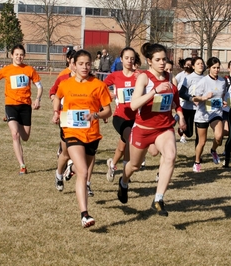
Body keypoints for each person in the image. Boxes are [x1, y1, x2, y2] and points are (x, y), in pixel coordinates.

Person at [117, 42, 186, 217]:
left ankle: (158, 199)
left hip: (164, 128)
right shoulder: (144, 78)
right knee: (134, 165)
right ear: (150, 61)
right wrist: (154, 91)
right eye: (158, 60)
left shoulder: (170, 77)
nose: (162, 63)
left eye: (164, 59)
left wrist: (181, 115)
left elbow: (175, 99)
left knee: (170, 156)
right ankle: (123, 182)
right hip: (143, 128)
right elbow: (133, 105)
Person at [52, 49, 112, 227]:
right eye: (81, 64)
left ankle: (65, 173)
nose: (85, 67)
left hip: (92, 133)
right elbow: (57, 96)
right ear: (74, 65)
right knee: (83, 172)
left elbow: (108, 110)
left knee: (83, 169)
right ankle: (84, 214)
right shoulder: (66, 83)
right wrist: (56, 112)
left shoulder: (98, 85)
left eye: (88, 64)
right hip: (71, 131)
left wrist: (96, 115)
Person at [0, 44, 43, 175]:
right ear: (12, 55)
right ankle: (22, 165)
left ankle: (13, 121)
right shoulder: (6, 70)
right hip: (10, 105)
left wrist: (38, 99)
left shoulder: (29, 70)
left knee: (25, 137)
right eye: (16, 54)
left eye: (21, 54)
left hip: (25, 106)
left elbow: (39, 86)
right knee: (15, 134)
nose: (19, 57)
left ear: (24, 56)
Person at [104, 47, 140, 182]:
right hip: (120, 116)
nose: (129, 61)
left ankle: (112, 165)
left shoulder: (139, 75)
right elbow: (100, 88)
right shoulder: (115, 75)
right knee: (130, 138)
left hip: (136, 117)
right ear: (121, 59)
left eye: (132, 58)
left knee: (122, 146)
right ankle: (126, 173)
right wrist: (109, 94)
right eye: (127, 58)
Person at [191, 57, 227, 172]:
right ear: (209, 68)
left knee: (219, 136)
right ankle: (197, 161)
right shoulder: (203, 81)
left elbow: (222, 96)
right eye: (214, 68)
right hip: (202, 114)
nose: (216, 70)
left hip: (215, 112)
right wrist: (205, 97)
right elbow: (195, 99)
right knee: (202, 142)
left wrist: (224, 101)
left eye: (218, 67)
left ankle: (213, 150)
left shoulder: (222, 81)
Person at [49, 49, 77, 192]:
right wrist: (56, 110)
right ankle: (59, 174)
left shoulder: (90, 80)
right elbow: (53, 92)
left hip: (83, 119)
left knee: (83, 154)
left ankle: (77, 172)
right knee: (66, 153)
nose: (77, 67)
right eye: (75, 63)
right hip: (66, 116)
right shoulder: (63, 78)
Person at [178, 57, 206, 147]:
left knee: (199, 134)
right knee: (189, 133)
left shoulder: (206, 78)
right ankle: (182, 129)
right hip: (188, 108)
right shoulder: (189, 78)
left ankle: (197, 156)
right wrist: (192, 98)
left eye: (202, 63)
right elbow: (181, 93)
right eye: (198, 64)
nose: (201, 65)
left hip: (200, 109)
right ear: (193, 66)